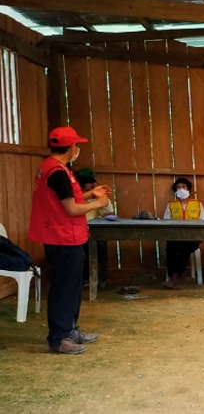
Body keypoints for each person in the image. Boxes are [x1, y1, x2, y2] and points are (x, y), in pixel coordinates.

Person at [28, 126, 111, 354]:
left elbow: (64, 198)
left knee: (72, 286)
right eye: (77, 145)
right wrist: (98, 204)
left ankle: (70, 329)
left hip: (64, 235)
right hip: (62, 236)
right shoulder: (57, 172)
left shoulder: (52, 168)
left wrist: (89, 194)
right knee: (64, 287)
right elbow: (72, 208)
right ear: (71, 147)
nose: (78, 149)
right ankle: (59, 337)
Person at [163, 177, 204, 290]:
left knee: (185, 247)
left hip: (193, 238)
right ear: (175, 191)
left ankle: (176, 276)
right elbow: (166, 222)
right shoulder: (171, 205)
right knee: (170, 247)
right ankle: (173, 276)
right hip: (175, 237)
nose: (181, 189)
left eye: (183, 187)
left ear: (189, 190)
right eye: (178, 187)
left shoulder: (198, 204)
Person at [75, 167, 114, 286]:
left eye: (93, 183)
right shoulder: (75, 196)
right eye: (89, 183)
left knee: (100, 244)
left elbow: (109, 210)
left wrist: (103, 198)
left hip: (93, 231)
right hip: (76, 232)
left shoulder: (95, 196)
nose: (92, 185)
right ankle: (83, 278)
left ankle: (99, 278)